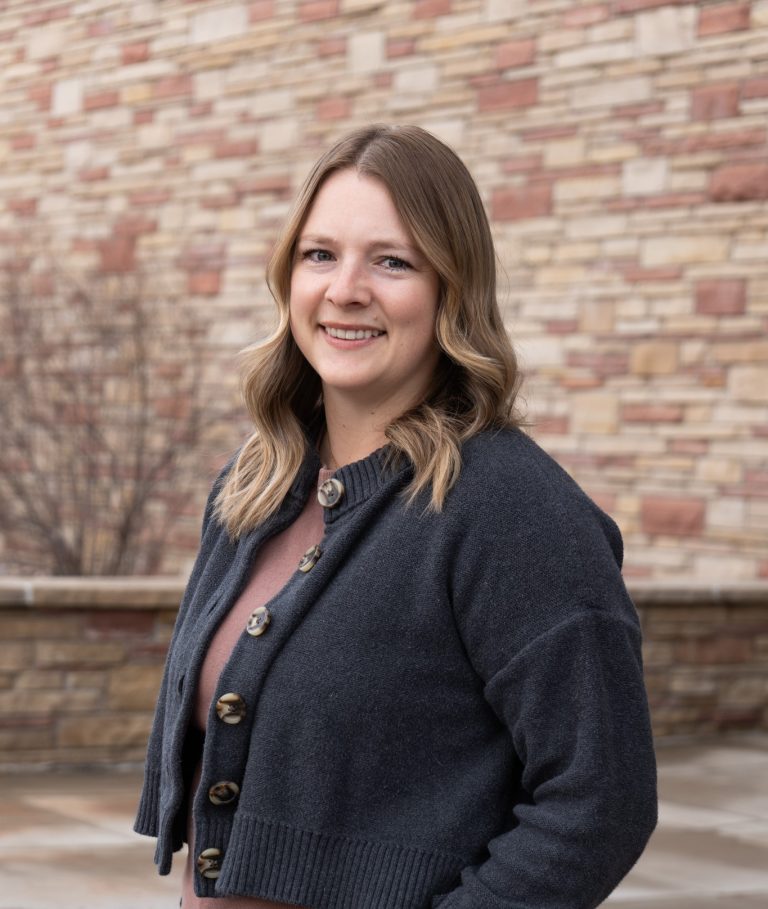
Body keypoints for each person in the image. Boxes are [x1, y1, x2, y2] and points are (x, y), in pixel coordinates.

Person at [135, 124, 657, 909]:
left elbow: (601, 800)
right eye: (320, 254)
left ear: (452, 286)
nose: (345, 289)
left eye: (392, 261)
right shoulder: (252, 488)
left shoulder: (511, 509)